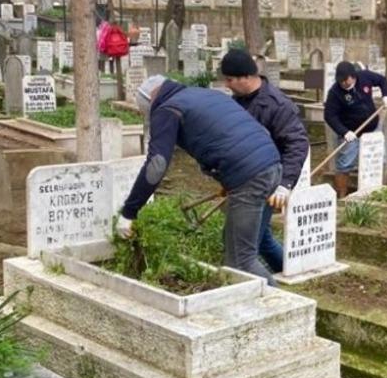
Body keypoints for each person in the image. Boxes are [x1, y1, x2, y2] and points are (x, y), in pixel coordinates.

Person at [116, 75, 282, 284]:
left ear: (151, 101)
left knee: (241, 261)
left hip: (251, 176)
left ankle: (284, 307)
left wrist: (129, 212)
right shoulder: (203, 94)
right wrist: (228, 181)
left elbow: (157, 164)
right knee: (235, 246)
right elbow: (228, 134)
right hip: (272, 165)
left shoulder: (167, 109)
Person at [222, 50, 310, 274]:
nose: (227, 84)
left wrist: (285, 184)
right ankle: (289, 270)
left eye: (230, 79)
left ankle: (268, 289)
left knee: (246, 246)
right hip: (244, 180)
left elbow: (297, 145)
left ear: (245, 77)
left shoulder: (277, 105)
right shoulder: (238, 101)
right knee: (261, 238)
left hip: (268, 183)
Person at [323, 61, 387, 198]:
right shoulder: (335, 92)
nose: (343, 83)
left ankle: (377, 191)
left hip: (372, 127)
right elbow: (329, 116)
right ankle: (341, 196)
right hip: (351, 132)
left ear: (353, 76)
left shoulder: (364, 77)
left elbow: (382, 80)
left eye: (346, 81)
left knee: (378, 158)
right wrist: (344, 132)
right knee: (344, 164)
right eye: (340, 81)